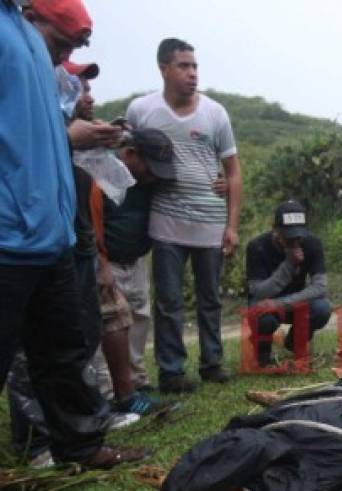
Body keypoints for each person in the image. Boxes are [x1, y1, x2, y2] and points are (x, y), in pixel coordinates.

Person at [0, 0, 144, 469]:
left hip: (51, 231)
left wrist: (72, 134)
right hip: (8, 231)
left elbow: (32, 130)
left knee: (63, 352)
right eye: (65, 41)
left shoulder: (23, 34)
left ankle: (80, 445)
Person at [127, 37, 242, 393]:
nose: (192, 73)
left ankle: (212, 363)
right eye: (183, 66)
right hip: (165, 221)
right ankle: (172, 371)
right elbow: (128, 158)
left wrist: (232, 225)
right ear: (164, 69)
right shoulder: (141, 110)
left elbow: (234, 171)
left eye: (195, 66)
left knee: (211, 299)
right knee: (168, 302)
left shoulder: (215, 113)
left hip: (209, 221)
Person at [92, 127, 178, 414]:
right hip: (106, 262)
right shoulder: (100, 173)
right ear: (129, 154)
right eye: (149, 167)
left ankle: (136, 384)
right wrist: (100, 263)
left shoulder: (147, 180)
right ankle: (107, 393)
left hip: (136, 260)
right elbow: (89, 221)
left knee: (138, 320)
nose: (153, 175)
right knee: (107, 324)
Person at [245, 200, 332, 367]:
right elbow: (257, 292)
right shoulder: (257, 247)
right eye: (288, 236)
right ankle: (262, 350)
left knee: (321, 309)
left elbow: (320, 288)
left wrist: (279, 303)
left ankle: (294, 341)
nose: (294, 241)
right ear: (274, 229)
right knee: (261, 314)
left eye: (298, 236)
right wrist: (288, 265)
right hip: (265, 304)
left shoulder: (312, 244)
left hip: (291, 302)